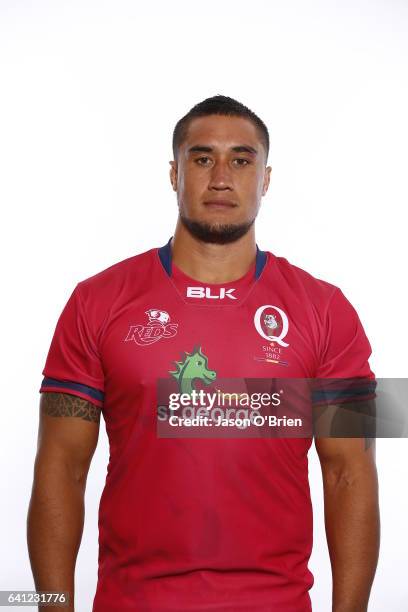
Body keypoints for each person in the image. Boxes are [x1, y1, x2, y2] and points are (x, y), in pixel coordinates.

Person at [27, 95, 380, 612]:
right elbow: (59, 468)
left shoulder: (327, 311)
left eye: (241, 160)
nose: (221, 177)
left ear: (266, 178)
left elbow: (350, 474)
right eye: (201, 158)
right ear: (174, 173)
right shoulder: (96, 301)